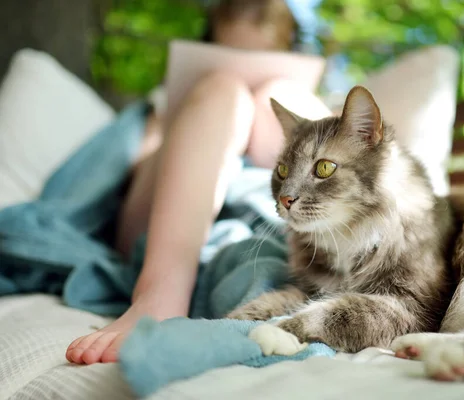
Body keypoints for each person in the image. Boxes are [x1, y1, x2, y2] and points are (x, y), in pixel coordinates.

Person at [65, 0, 331, 365]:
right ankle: (159, 295)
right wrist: (183, 127)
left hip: (266, 217)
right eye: (229, 53)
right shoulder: (169, 103)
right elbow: (126, 172)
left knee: (284, 95)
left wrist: (264, 113)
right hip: (167, 223)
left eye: (261, 56)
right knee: (221, 91)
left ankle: (341, 254)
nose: (244, 67)